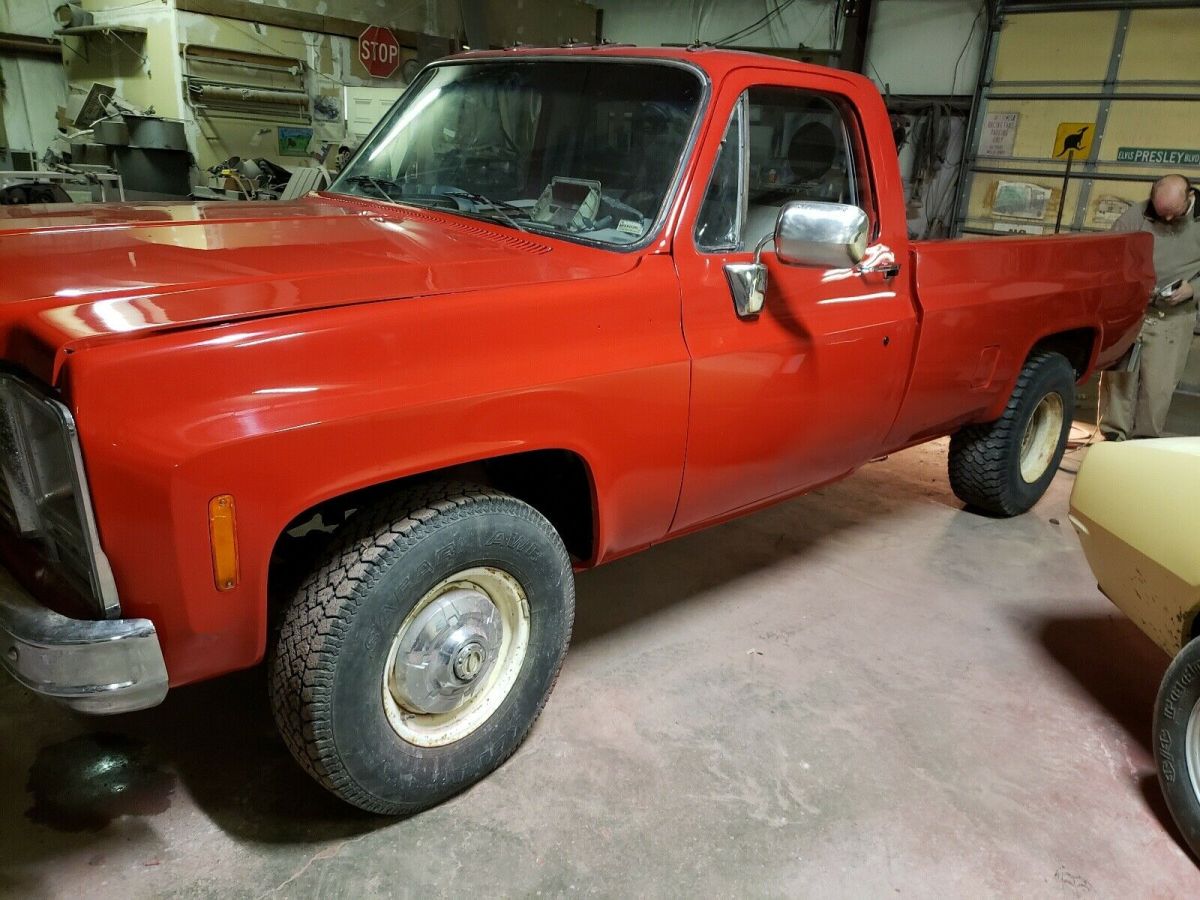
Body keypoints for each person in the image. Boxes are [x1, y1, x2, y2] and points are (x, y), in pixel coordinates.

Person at [1102, 174, 1200, 440]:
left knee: (1158, 386)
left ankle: (1144, 440)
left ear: (1189, 196)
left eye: (1173, 214)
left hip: (1174, 317)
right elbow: (1111, 253)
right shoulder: (1137, 215)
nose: (1167, 221)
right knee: (1120, 378)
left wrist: (1193, 290)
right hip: (1134, 311)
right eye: (1161, 213)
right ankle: (1113, 434)